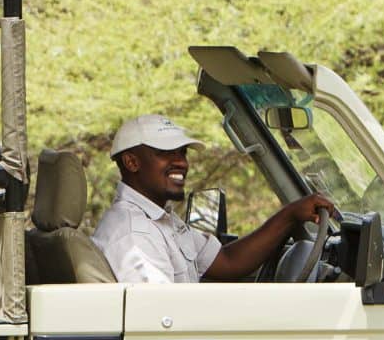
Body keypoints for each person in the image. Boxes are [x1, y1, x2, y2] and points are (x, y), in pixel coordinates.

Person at [91, 113, 336, 283]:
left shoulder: (159, 220)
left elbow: (227, 262)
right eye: (165, 153)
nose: (182, 162)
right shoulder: (134, 234)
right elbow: (160, 320)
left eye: (182, 153)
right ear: (132, 162)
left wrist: (290, 215)